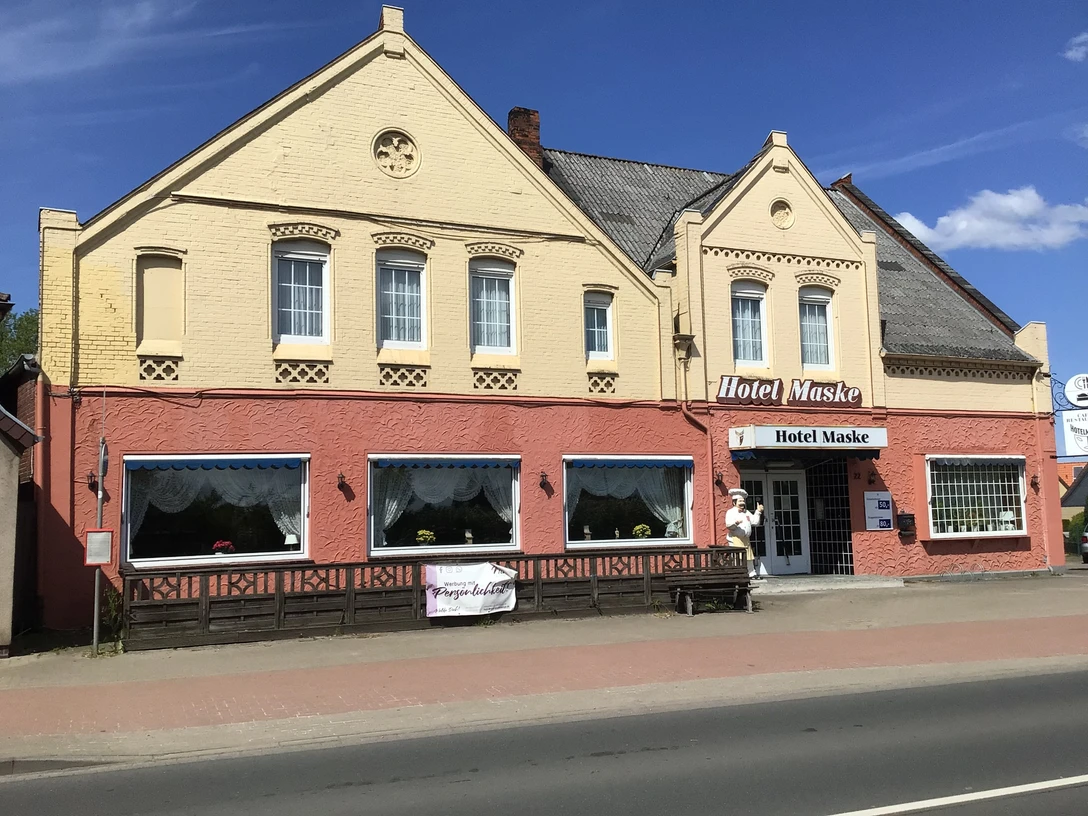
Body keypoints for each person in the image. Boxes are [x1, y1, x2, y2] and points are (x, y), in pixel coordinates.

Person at [725, 487, 764, 578]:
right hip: (735, 538)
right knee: (737, 556)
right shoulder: (730, 512)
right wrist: (735, 523)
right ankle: (738, 573)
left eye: (743, 501)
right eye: (740, 501)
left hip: (745, 539)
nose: (742, 503)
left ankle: (751, 573)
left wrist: (758, 512)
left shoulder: (746, 512)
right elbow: (728, 525)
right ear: (734, 502)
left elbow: (755, 522)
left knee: (749, 557)